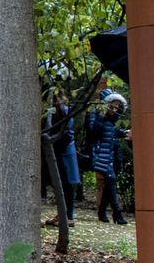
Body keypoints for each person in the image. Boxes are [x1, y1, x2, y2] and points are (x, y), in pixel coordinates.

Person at [86, 94, 129, 224]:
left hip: (109, 157)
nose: (114, 109)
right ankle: (117, 213)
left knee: (108, 184)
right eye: (113, 106)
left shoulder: (112, 120)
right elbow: (93, 132)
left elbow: (114, 133)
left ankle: (102, 212)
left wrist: (126, 133)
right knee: (111, 180)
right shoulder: (98, 115)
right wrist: (101, 116)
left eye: (117, 107)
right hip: (99, 156)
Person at [46, 90, 80, 221]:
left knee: (66, 184)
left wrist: (53, 141)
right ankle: (65, 215)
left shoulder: (63, 111)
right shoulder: (58, 110)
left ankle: (67, 215)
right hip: (62, 149)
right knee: (66, 184)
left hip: (63, 150)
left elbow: (67, 133)